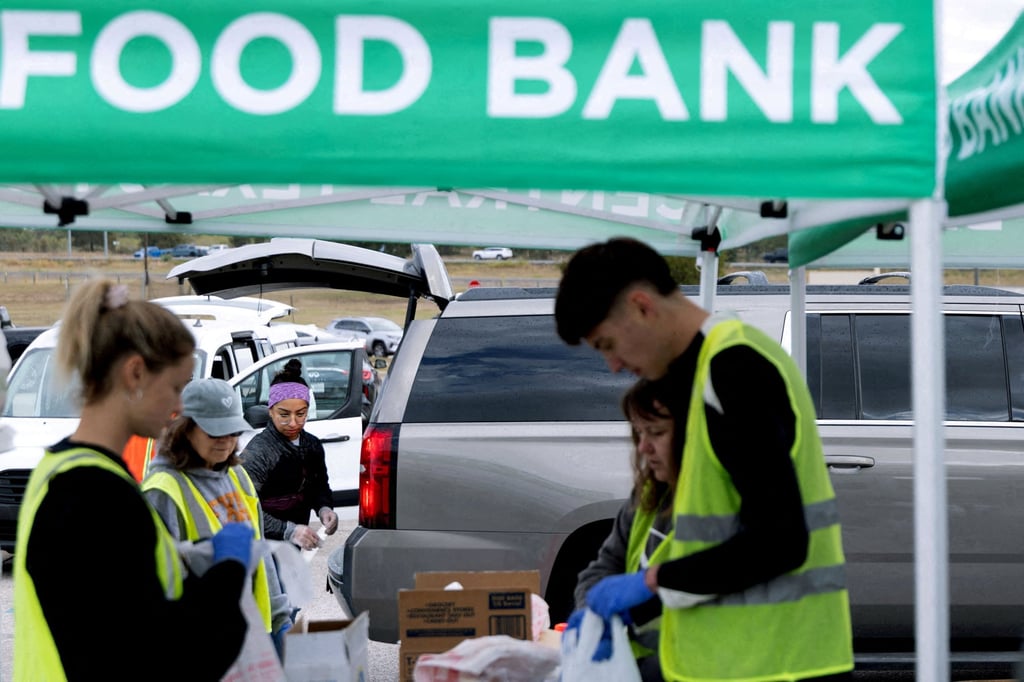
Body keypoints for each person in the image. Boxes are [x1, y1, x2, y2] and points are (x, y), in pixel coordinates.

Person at [555, 238, 853, 682]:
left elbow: (780, 540)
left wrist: (650, 582)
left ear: (641, 306)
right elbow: (712, 535)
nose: (614, 365)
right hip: (734, 663)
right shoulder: (697, 377)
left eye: (607, 344)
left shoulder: (733, 370)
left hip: (777, 666)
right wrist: (637, 606)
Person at [13, 279, 253, 681]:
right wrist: (227, 574)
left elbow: (106, 607)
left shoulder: (60, 470)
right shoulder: (97, 495)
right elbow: (161, 655)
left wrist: (190, 560)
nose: (179, 407)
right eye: (176, 387)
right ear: (135, 373)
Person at [142, 378, 295, 658]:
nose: (226, 441)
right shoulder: (163, 490)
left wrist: (280, 618)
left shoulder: (237, 476)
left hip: (253, 640)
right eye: (215, 432)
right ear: (185, 429)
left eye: (233, 431)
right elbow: (157, 591)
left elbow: (261, 556)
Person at [572, 379, 679, 681]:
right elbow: (601, 569)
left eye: (656, 433)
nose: (644, 447)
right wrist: (591, 615)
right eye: (639, 433)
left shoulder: (719, 506)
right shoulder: (648, 496)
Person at [242, 358, 339, 551]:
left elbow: (319, 486)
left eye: (301, 414)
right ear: (271, 411)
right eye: (284, 415)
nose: (293, 423)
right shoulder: (259, 452)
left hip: (293, 549)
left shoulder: (312, 446)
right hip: (261, 548)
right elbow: (245, 508)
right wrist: (288, 531)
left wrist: (324, 508)